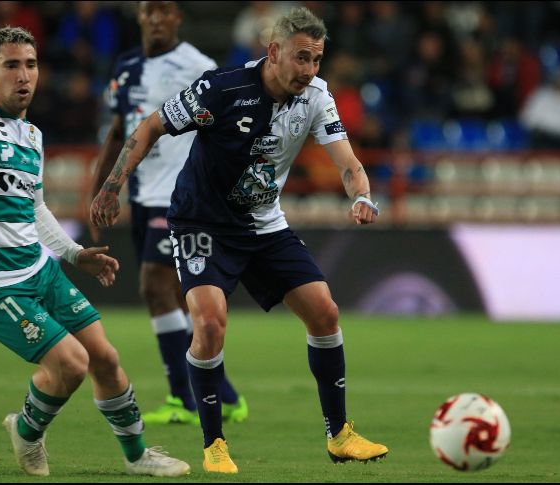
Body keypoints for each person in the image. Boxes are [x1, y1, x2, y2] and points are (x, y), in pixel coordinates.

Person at [91, 7, 388, 474]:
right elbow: (150, 126)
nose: (309, 70)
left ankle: (340, 435)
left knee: (325, 311)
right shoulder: (220, 89)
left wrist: (363, 195)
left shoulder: (316, 96)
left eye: (316, 60)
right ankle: (214, 444)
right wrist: (112, 185)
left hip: (263, 223)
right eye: (300, 58)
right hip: (201, 223)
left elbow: (348, 163)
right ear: (273, 52)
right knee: (209, 324)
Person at [0, 27, 190, 478]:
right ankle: (29, 432)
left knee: (106, 360)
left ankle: (137, 457)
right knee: (72, 364)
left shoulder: (32, 135)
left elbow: (35, 208)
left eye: (31, 65)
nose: (24, 76)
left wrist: (75, 254)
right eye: (11, 65)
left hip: (39, 270)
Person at [91, 0, 247, 426]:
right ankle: (226, 395)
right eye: (149, 11)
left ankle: (183, 398)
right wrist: (100, 189)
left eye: (165, 11)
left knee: (154, 287)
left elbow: (225, 126)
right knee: (178, 299)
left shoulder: (198, 65)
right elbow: (117, 132)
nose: (157, 19)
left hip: (181, 195)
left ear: (178, 17)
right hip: (142, 195)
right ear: (139, 17)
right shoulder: (125, 66)